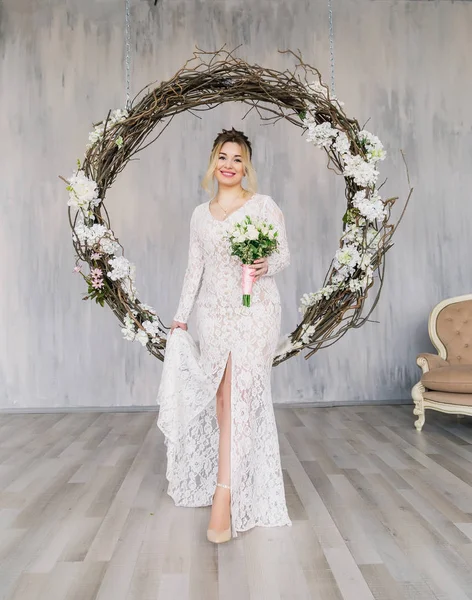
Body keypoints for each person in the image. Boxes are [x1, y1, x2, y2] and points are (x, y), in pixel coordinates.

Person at [157, 127, 292, 543]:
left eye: (237, 159)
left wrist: (262, 265)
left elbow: (283, 254)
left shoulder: (264, 206)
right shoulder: (201, 214)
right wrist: (180, 318)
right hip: (212, 314)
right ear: (213, 163)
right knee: (220, 396)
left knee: (239, 394)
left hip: (256, 310)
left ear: (246, 166)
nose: (229, 165)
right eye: (223, 157)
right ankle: (234, 474)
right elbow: (193, 269)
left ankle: (224, 495)